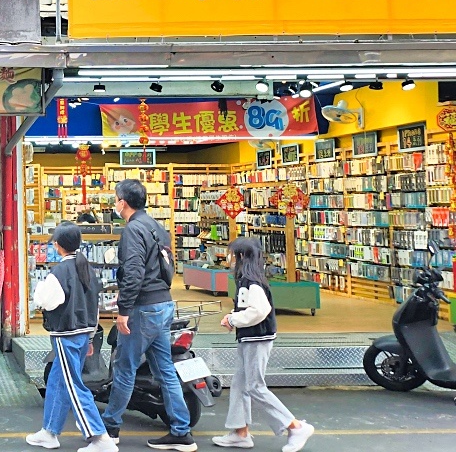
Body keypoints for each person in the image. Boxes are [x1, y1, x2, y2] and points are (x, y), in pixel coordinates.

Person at [102, 179, 196, 452]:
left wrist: (124, 310)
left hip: (143, 308)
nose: (115, 203)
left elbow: (133, 273)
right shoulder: (157, 227)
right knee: (165, 370)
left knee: (124, 366)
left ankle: (110, 428)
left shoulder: (132, 230)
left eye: (116, 199)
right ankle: (181, 431)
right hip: (163, 303)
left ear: (123, 202)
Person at [213, 238, 313, 452]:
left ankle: (294, 426)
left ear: (240, 256)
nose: (228, 258)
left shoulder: (251, 282)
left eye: (231, 254)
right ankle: (240, 432)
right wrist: (234, 318)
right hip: (251, 337)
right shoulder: (249, 279)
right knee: (241, 383)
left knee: (254, 386)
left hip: (257, 338)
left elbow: (259, 310)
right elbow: (250, 308)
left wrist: (233, 320)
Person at [28, 223, 115, 452]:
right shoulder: (86, 268)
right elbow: (94, 305)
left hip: (65, 334)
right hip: (84, 332)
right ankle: (49, 431)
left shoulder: (60, 272)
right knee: (58, 380)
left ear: (57, 245)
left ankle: (99, 437)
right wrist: (90, 335)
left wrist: (38, 289)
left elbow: (45, 301)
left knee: (73, 385)